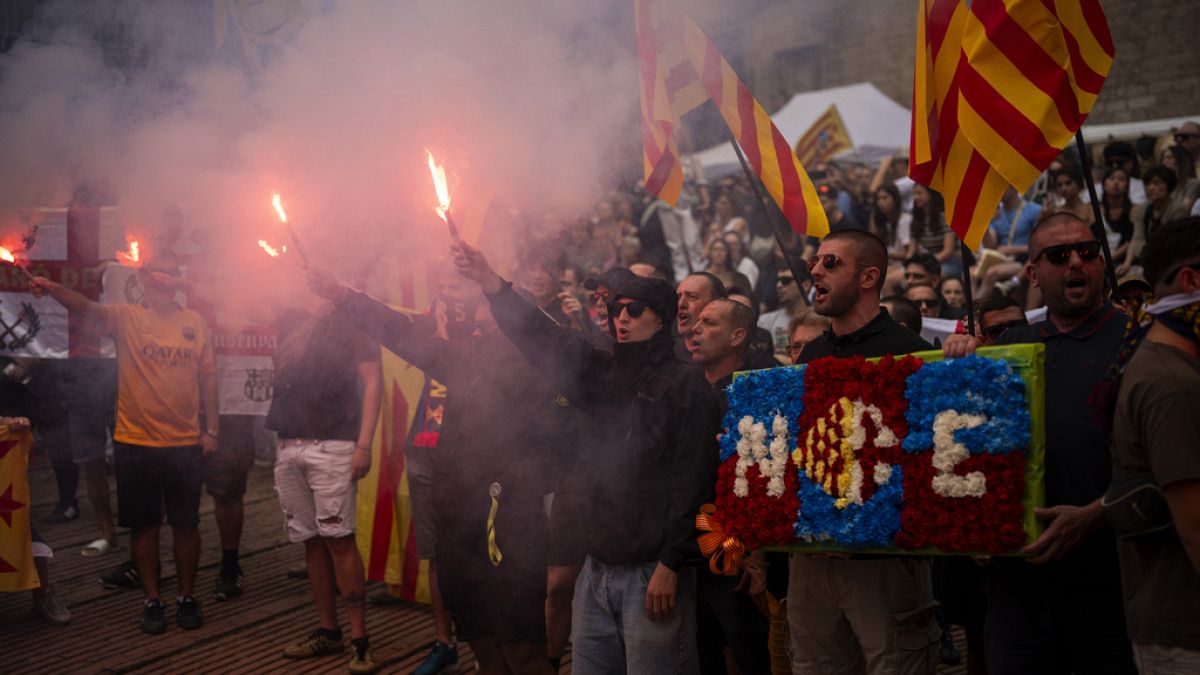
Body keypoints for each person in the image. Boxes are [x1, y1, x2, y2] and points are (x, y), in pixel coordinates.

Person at [453, 240, 720, 674]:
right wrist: (490, 283)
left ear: (662, 318)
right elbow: (544, 338)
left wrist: (673, 562)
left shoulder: (686, 385)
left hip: (651, 571)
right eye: (616, 311)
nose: (621, 319)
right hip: (595, 569)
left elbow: (694, 481)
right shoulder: (602, 374)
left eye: (634, 311)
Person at [307, 267, 571, 675]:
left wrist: (506, 485)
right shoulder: (464, 361)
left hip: (511, 534)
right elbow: (398, 332)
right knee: (482, 645)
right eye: (478, 326)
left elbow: (560, 455)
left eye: (489, 328)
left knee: (521, 649)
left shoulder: (546, 379)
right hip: (459, 527)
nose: (478, 334)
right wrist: (343, 295)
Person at [943, 211, 1135, 674]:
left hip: (1111, 581)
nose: (1076, 262)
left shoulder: (1137, 339)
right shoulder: (1010, 352)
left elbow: (1164, 462)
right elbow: (965, 450)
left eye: (1088, 252)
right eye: (1058, 255)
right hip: (1019, 591)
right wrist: (958, 365)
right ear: (1032, 273)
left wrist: (1096, 514)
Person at [31, 251, 218, 635]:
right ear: (145, 282)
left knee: (186, 525)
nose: (163, 284)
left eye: (171, 277)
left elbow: (209, 379)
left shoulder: (194, 323)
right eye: (156, 278)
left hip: (185, 442)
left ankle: (186, 597)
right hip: (136, 441)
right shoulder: (127, 316)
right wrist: (50, 288)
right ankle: (152, 599)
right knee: (144, 526)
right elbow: (84, 306)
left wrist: (211, 429)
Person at [792, 229, 937, 674]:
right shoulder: (812, 353)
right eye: (814, 262)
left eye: (830, 263)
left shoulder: (910, 351)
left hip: (884, 565)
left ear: (869, 276)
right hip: (813, 562)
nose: (815, 271)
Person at [265, 292, 383, 674]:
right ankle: (328, 632)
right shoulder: (291, 315)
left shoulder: (353, 317)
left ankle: (360, 642)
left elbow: (373, 381)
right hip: (288, 444)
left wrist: (364, 445)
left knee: (339, 541)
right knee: (311, 541)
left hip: (333, 445)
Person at [1107, 216, 1200, 671]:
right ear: (1191, 279)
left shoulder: (1167, 364)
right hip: (1185, 634)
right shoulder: (1171, 385)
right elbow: (1196, 525)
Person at [685, 298, 772, 675]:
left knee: (749, 649)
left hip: (735, 551)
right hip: (686, 549)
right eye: (696, 322)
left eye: (709, 323)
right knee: (701, 652)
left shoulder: (757, 391)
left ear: (738, 336)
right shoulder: (684, 391)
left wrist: (758, 553)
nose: (694, 329)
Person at [1121, 165, 1191, 274]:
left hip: (1173, 261)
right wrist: (1127, 264)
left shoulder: (1179, 209)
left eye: (1156, 183)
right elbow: (1136, 239)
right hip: (1147, 258)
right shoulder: (1143, 209)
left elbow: (1174, 242)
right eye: (1147, 184)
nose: (1151, 188)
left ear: (1168, 185)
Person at [978, 186, 1043, 297]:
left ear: (1014, 186)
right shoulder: (997, 213)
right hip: (1002, 258)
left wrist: (1011, 249)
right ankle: (971, 308)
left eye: (1003, 186)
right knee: (971, 274)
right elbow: (990, 245)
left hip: (1023, 259)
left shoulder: (1034, 210)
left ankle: (975, 310)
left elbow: (1040, 244)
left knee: (991, 273)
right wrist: (984, 220)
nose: (999, 190)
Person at [758, 265, 809, 358]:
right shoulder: (764, 321)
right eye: (778, 280)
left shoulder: (822, 321)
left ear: (805, 285)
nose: (779, 285)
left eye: (786, 280)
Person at [675, 271, 726, 361]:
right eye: (678, 297)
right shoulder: (662, 356)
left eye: (692, 296)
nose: (681, 304)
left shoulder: (742, 359)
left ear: (717, 304)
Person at [910, 184, 956, 275]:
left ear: (931, 194)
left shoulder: (944, 217)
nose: (916, 197)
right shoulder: (916, 219)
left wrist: (925, 265)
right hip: (928, 262)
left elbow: (948, 251)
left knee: (925, 275)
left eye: (919, 193)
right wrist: (909, 264)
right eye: (914, 194)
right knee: (891, 278)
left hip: (951, 261)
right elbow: (911, 252)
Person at [869, 182, 913, 261]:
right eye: (878, 199)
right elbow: (873, 238)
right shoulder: (885, 221)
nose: (881, 203)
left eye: (885, 198)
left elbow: (909, 253)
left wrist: (885, 254)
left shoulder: (904, 220)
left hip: (905, 265)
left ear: (895, 199)